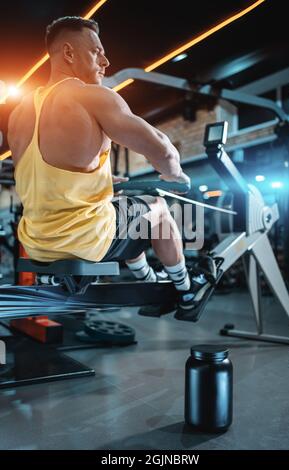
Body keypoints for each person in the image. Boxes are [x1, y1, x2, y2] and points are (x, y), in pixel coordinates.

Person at [7, 16, 216, 320]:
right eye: (96, 51)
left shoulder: (19, 114)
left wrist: (106, 181)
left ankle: (150, 282)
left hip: (36, 243)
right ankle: (186, 290)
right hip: (84, 240)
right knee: (156, 207)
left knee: (127, 212)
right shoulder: (90, 96)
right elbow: (162, 148)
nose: (105, 61)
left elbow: (46, 175)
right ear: (68, 53)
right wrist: (176, 176)